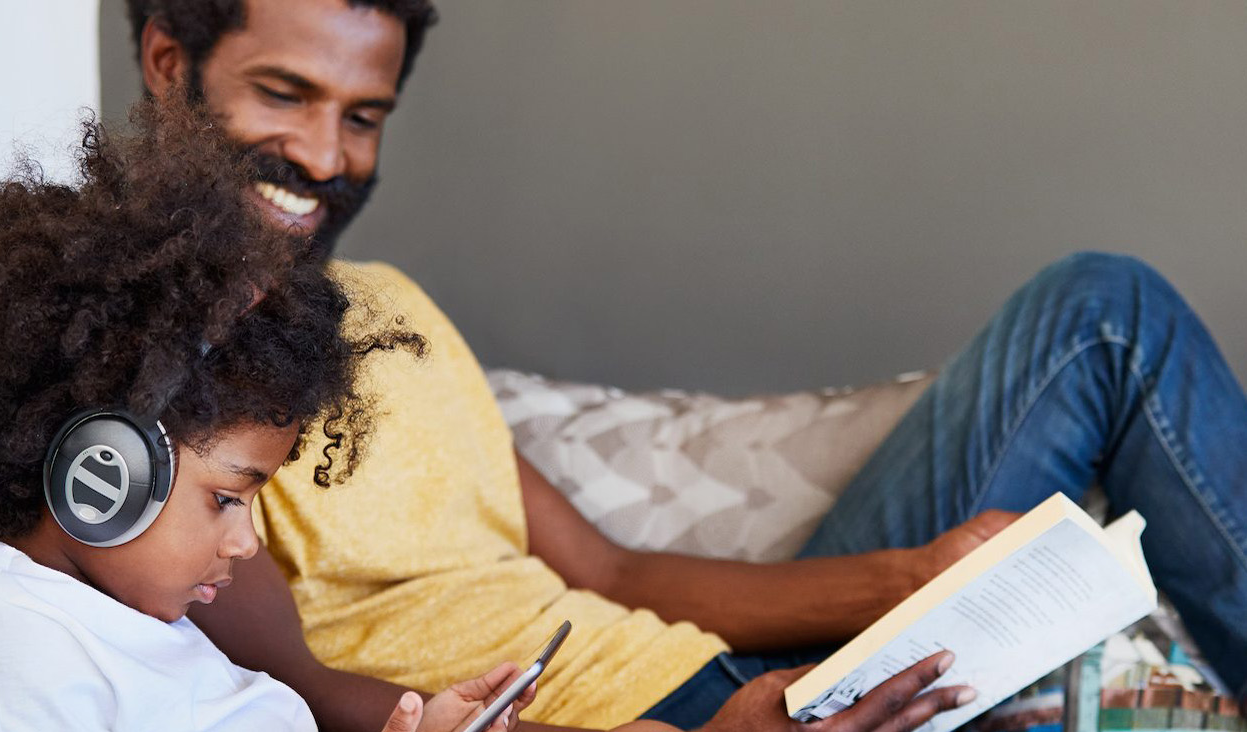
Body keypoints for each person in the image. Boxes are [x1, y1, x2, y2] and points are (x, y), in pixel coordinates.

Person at [101, 0, 1247, 730]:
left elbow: (610, 571)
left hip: (744, 685)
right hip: (651, 727)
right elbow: (290, 698)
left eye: (364, 115)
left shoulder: (388, 306)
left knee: (1102, 312)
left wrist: (913, 577)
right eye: (284, 94)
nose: (324, 153)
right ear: (167, 62)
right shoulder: (118, 358)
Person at [0, 97, 546, 732]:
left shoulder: (124, 622)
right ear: (107, 472)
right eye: (228, 498)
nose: (247, 543)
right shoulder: (12, 648)